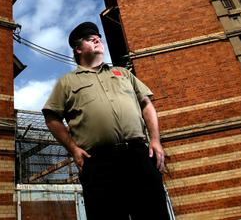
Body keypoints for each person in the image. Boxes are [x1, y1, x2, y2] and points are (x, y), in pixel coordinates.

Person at [42, 21, 170, 220]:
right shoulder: (67, 82)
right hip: (98, 164)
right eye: (88, 38)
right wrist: (74, 149)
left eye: (97, 37)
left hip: (138, 155)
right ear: (77, 49)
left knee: (154, 214)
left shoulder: (124, 74)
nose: (96, 38)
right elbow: (51, 117)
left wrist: (155, 140)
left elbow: (146, 105)